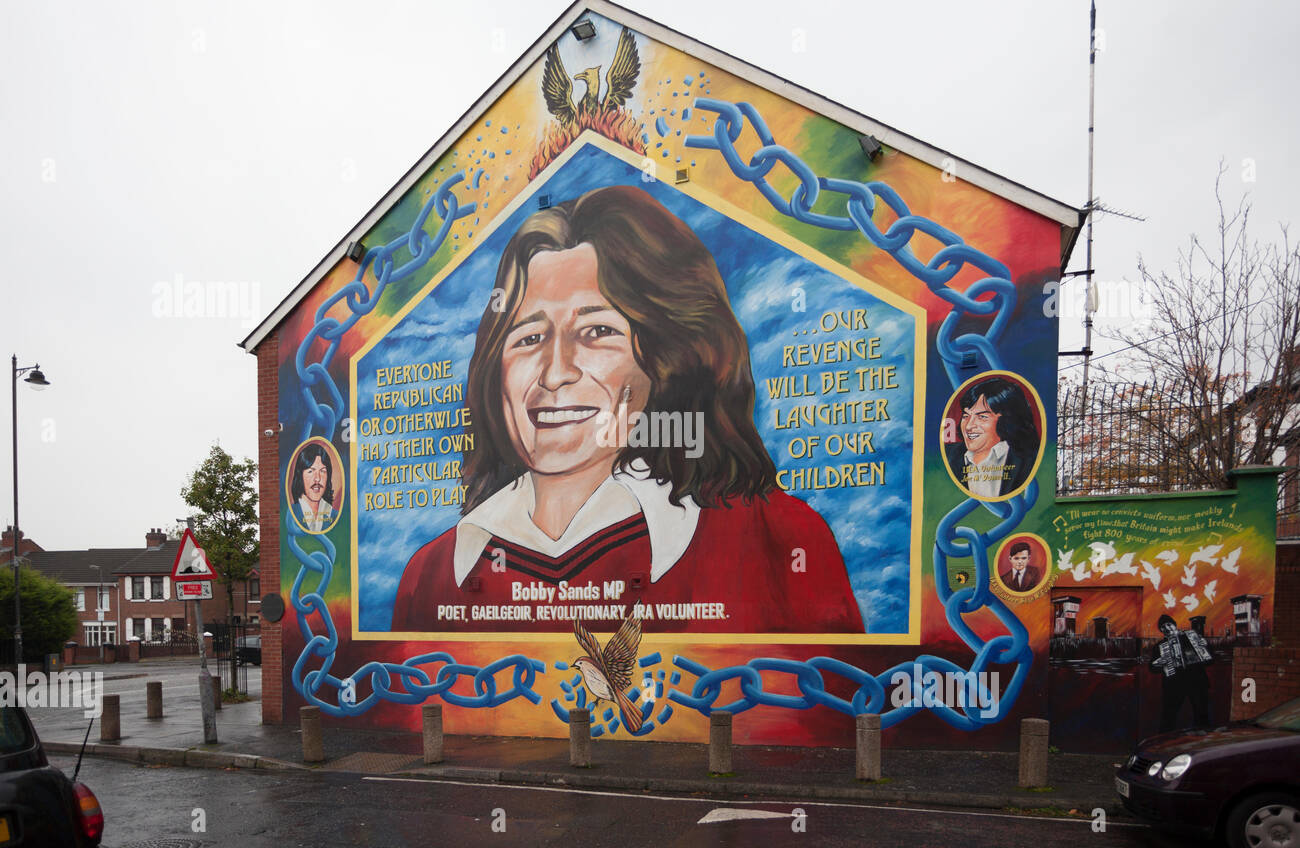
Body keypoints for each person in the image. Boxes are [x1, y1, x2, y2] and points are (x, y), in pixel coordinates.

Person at [392, 185, 863, 634]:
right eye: (529, 339)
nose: (555, 373)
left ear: (667, 357)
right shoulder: (432, 577)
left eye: (597, 332)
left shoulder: (779, 542)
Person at [945, 376, 1037, 498]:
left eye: (982, 417)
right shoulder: (950, 455)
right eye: (966, 416)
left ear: (1006, 420)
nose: (968, 426)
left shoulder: (1029, 458)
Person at [1148, 614, 1215, 732]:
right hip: (1174, 685)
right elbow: (1152, 668)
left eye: (1169, 624)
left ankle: (1203, 742)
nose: (1167, 628)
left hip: (1196, 682)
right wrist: (1157, 663)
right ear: (1161, 631)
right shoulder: (1159, 647)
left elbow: (1210, 660)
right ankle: (1165, 743)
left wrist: (1206, 646)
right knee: (1168, 717)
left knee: (1202, 716)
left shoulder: (1193, 637)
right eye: (1163, 627)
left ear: (1174, 625)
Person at [291, 442, 336, 533]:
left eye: (323, 471)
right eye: (311, 471)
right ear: (300, 475)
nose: (317, 479)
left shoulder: (335, 515)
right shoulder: (290, 514)